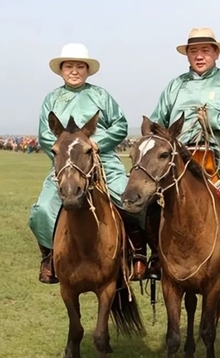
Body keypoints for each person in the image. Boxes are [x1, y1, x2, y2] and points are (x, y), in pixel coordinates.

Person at [148, 27, 220, 290]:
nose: (199, 56)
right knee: (146, 198)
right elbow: (158, 122)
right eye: (193, 51)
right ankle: (156, 256)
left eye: (205, 50)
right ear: (187, 56)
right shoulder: (175, 86)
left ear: (216, 54)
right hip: (181, 154)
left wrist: (216, 120)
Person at [28, 43, 148, 284]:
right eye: (69, 66)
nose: (74, 70)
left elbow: (120, 125)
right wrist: (68, 159)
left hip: (103, 160)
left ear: (87, 70)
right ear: (61, 70)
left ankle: (137, 253)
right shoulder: (51, 99)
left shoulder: (100, 95)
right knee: (42, 209)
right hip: (65, 167)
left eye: (79, 66)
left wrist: (96, 144)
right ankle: (50, 257)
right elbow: (45, 135)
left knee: (130, 198)